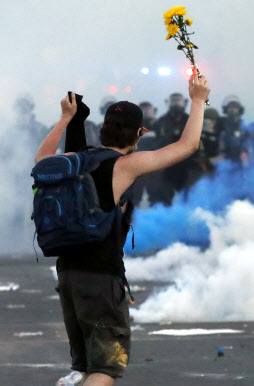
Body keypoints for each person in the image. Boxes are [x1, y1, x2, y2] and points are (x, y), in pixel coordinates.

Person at [35, 70, 210, 385]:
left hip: (68, 275)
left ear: (102, 130)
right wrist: (198, 100)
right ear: (138, 134)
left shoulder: (76, 158)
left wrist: (64, 119)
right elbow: (187, 145)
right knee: (106, 368)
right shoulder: (126, 166)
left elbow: (41, 162)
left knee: (89, 365)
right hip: (101, 278)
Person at [151, 93, 197, 204]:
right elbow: (154, 143)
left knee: (189, 197)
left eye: (178, 101)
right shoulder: (161, 122)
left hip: (187, 164)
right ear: (169, 103)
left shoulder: (191, 120)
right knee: (164, 197)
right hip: (166, 165)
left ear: (184, 103)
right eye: (173, 101)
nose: (176, 104)